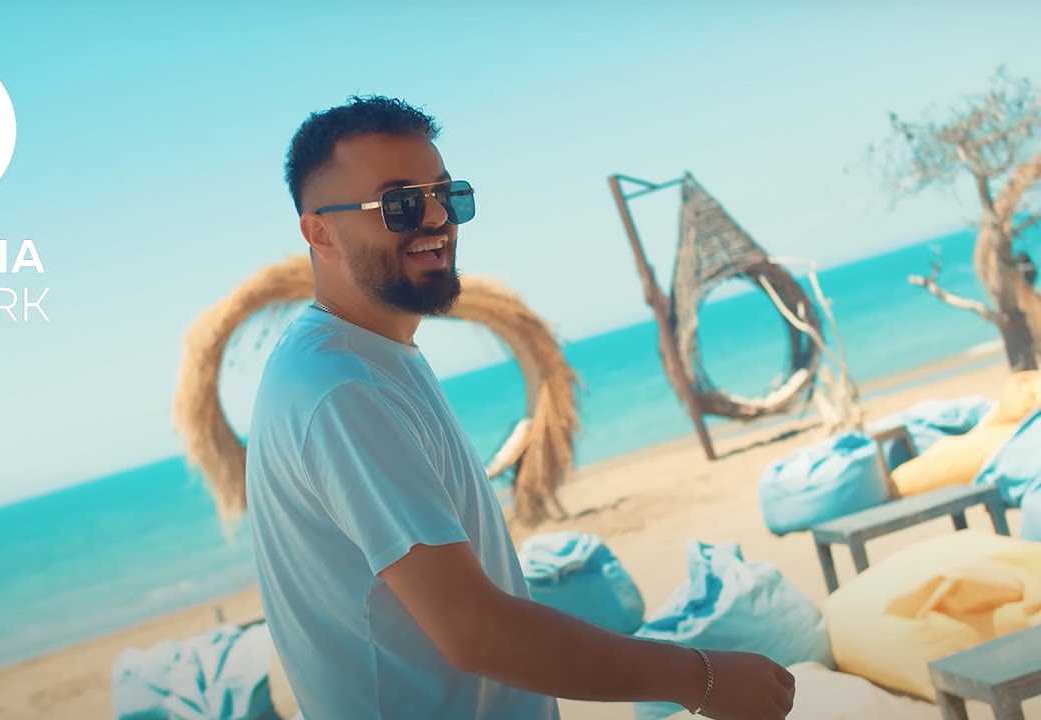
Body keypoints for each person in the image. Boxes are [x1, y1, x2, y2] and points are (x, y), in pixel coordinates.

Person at [244, 95, 796, 720]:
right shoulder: (343, 389)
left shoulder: (365, 358)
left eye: (446, 195)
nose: (437, 218)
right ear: (320, 233)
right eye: (398, 204)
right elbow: (474, 631)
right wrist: (701, 680)